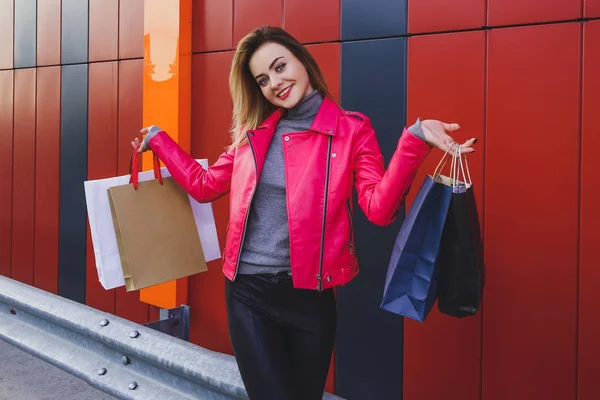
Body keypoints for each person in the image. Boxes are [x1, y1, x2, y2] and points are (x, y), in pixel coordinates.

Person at [132, 26, 476, 400]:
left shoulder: (351, 130)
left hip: (311, 300)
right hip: (248, 294)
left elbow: (378, 209)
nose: (275, 83)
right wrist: (159, 140)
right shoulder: (252, 136)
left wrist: (415, 139)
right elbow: (204, 185)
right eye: (263, 79)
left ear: (303, 61)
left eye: (280, 67)